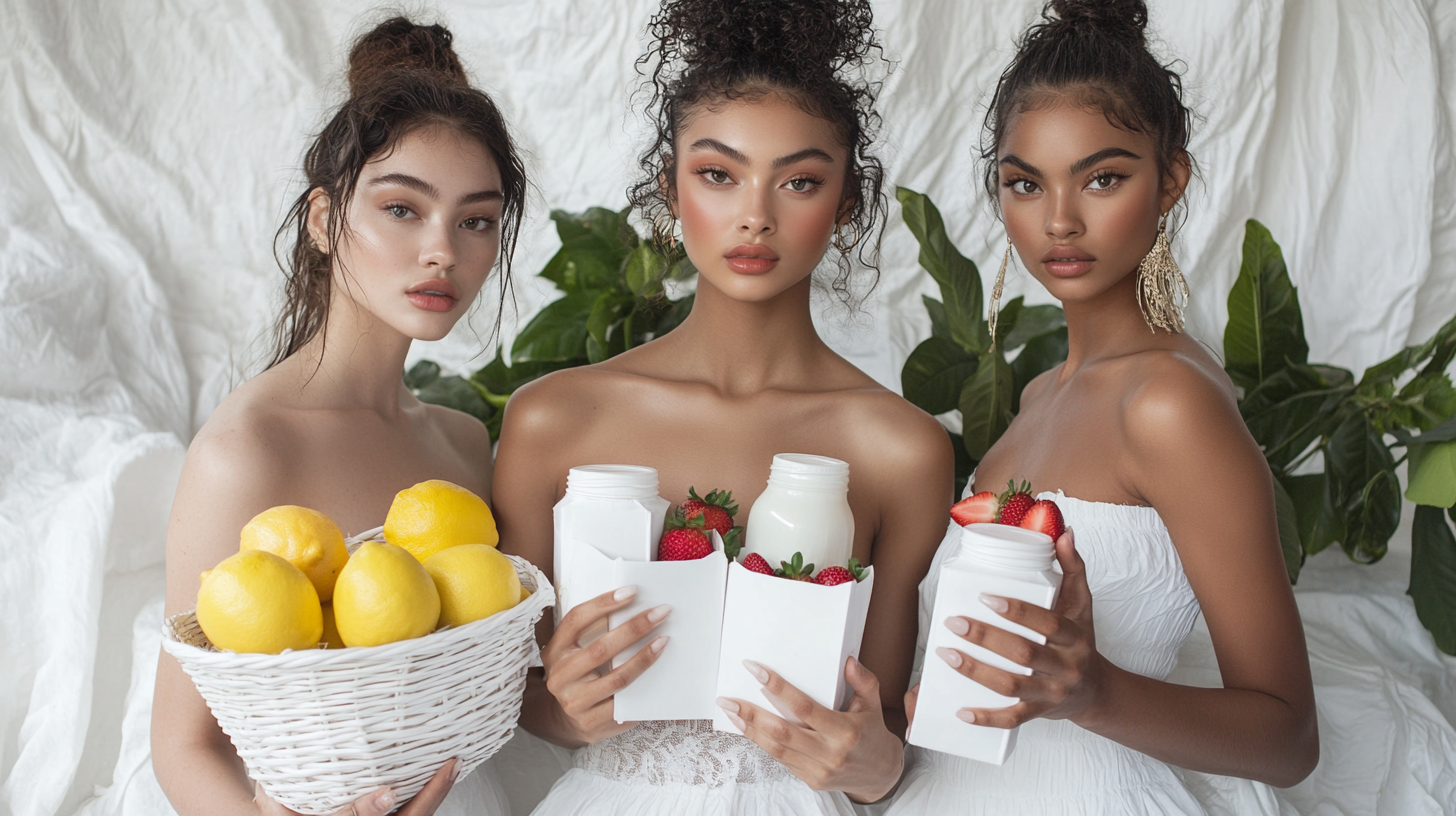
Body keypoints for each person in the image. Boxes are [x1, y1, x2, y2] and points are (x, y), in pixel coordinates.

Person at [491, 0, 953, 812]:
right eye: (718, 173)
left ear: (846, 204)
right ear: (669, 187)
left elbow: (877, 727)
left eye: (800, 181)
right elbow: (519, 702)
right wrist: (563, 709)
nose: (755, 215)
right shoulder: (553, 422)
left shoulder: (901, 448)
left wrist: (878, 768)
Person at [887, 1, 1318, 814]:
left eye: (1103, 178)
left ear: (1171, 180)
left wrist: (1095, 692)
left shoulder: (1169, 404)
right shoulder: (1037, 398)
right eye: (1026, 184)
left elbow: (1289, 740)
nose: (1058, 220)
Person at [150, 17, 527, 816]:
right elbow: (185, 745)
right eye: (402, 209)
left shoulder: (462, 443)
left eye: (476, 220)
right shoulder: (248, 451)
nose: (443, 252)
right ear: (324, 220)